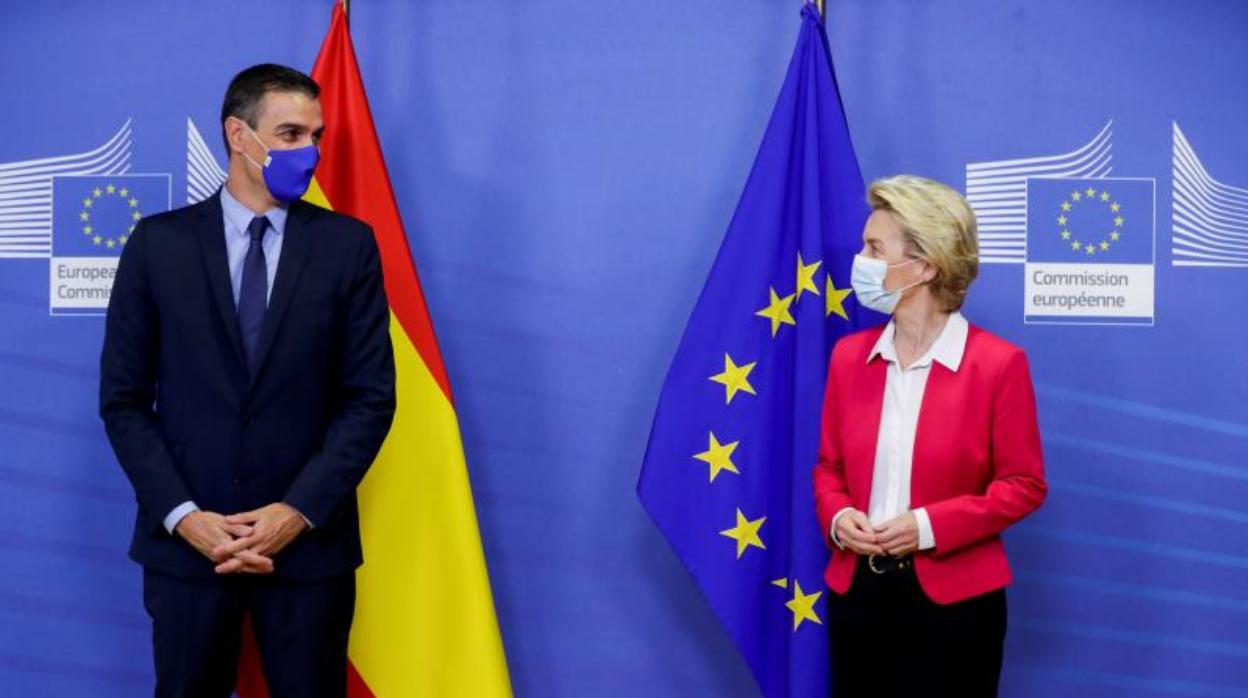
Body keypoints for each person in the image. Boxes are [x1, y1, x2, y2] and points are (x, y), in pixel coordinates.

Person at [99, 63, 395, 697]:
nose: (308, 152)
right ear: (239, 135)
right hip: (186, 551)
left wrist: (296, 512)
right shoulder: (158, 245)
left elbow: (369, 398)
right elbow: (124, 401)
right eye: (289, 134)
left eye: (315, 136)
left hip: (308, 551)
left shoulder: (349, 247)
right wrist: (186, 517)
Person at [812, 175, 1047, 696]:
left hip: (957, 606)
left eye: (874, 247)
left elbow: (1023, 484)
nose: (860, 259)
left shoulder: (998, 364)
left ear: (925, 264)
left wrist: (927, 526)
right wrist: (838, 516)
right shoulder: (849, 358)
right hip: (858, 594)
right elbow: (828, 469)